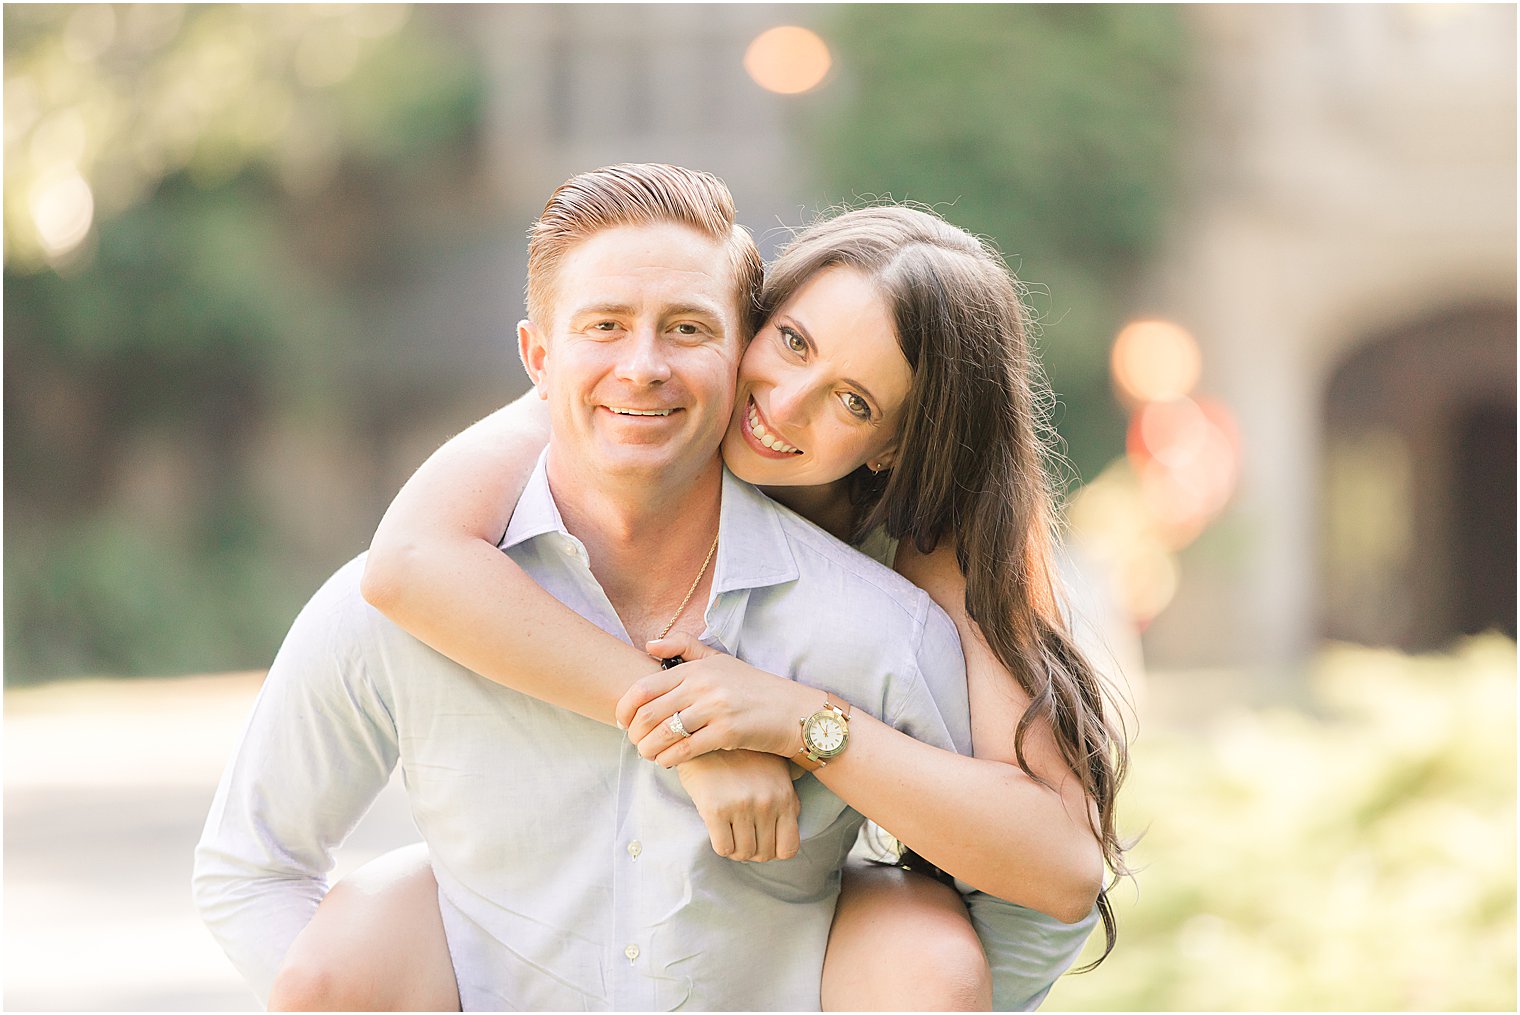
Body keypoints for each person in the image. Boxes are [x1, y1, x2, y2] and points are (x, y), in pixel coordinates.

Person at [281, 197, 1131, 1010]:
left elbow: (1058, 866)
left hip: (809, 930)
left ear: (897, 443)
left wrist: (804, 722)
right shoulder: (629, 404)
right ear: (750, 318)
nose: (784, 404)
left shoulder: (935, 546)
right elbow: (408, 562)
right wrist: (690, 736)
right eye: (791, 342)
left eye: (854, 400)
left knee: (920, 943)